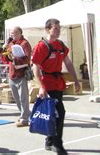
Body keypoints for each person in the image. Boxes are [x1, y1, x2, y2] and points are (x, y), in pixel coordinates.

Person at [32, 19, 80, 155]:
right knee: (60, 112)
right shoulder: (42, 46)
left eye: (59, 29)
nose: (58, 31)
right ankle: (57, 144)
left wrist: (76, 80)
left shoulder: (60, 45)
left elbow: (68, 63)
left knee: (53, 114)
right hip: (47, 84)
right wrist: (41, 86)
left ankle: (49, 141)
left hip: (58, 83)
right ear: (48, 29)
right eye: (55, 29)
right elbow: (35, 67)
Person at [5, 26, 32, 127]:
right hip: (12, 73)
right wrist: (6, 55)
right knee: (16, 97)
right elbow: (7, 57)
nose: (12, 35)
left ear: (20, 33)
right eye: (11, 33)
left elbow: (27, 58)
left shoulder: (25, 43)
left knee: (23, 97)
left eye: (14, 33)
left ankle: (24, 119)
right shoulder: (11, 43)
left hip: (21, 74)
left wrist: (14, 59)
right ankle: (24, 114)